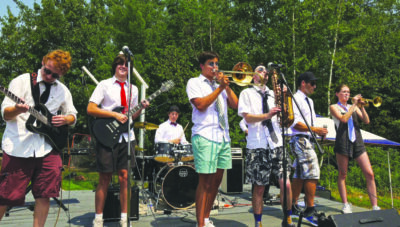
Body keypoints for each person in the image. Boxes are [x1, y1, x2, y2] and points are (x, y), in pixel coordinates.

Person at [0, 50, 77, 227]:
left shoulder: (63, 90)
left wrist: (66, 119)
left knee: (44, 195)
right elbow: (5, 113)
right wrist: (18, 109)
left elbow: (73, 114)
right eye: (46, 70)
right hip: (19, 146)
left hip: (48, 147)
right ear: (43, 61)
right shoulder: (21, 81)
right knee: (5, 196)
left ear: (61, 74)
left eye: (55, 75)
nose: (49, 76)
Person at [87, 54, 149, 227]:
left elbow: (132, 115)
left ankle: (124, 217)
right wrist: (114, 114)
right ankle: (98, 218)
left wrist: (140, 108)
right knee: (104, 178)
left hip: (127, 137)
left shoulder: (134, 89)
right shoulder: (104, 84)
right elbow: (91, 108)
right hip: (106, 136)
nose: (123, 67)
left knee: (125, 177)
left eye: (126, 65)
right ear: (115, 67)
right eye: (120, 64)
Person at [186, 51, 238, 227]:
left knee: (216, 182)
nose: (215, 67)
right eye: (211, 64)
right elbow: (200, 105)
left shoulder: (220, 86)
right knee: (205, 181)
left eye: (216, 64)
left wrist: (226, 87)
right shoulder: (195, 82)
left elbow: (236, 105)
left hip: (223, 136)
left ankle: (206, 218)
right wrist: (219, 89)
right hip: (205, 135)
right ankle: (200, 223)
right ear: (202, 66)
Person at [238, 65, 294, 227]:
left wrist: (285, 101)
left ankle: (288, 218)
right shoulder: (246, 93)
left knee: (286, 183)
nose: (264, 73)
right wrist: (267, 115)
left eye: (266, 72)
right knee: (260, 187)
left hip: (277, 142)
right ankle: (258, 222)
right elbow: (247, 118)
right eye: (260, 70)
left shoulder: (273, 94)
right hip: (258, 144)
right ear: (253, 75)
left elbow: (285, 119)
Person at [330, 84, 380, 214]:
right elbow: (344, 119)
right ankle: (345, 204)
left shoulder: (354, 107)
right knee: (343, 174)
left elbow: (367, 121)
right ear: (337, 94)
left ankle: (375, 206)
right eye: (344, 92)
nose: (347, 94)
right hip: (343, 141)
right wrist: (353, 105)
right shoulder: (334, 107)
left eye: (348, 92)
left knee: (369, 173)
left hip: (357, 141)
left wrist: (361, 107)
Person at [289, 72, 328, 226]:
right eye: (312, 83)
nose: (314, 86)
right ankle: (309, 210)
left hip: (308, 139)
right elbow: (295, 123)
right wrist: (315, 129)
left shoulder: (309, 102)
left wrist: (318, 133)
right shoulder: (295, 99)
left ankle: (292, 206)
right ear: (303, 83)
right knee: (313, 171)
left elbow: (310, 123)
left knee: (299, 173)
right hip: (299, 139)